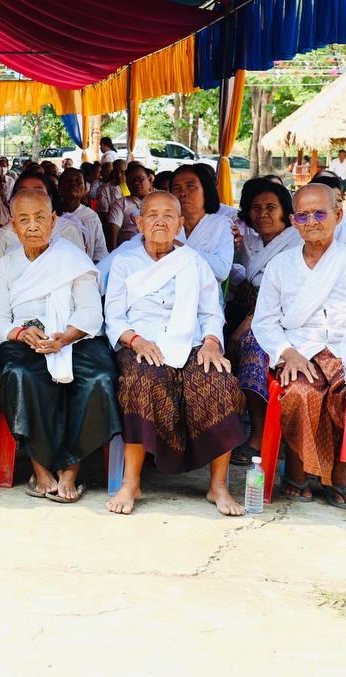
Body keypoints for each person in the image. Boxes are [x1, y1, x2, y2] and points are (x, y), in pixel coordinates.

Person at [252, 183, 346, 508]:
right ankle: (297, 468)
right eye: (303, 216)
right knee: (301, 393)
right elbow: (264, 322)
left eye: (320, 214)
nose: (312, 222)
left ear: (338, 215)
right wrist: (286, 352)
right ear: (293, 221)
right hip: (300, 350)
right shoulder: (280, 266)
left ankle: (339, 471)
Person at [104, 191, 245, 516]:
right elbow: (114, 318)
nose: (160, 221)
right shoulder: (125, 262)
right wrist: (136, 341)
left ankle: (218, 486)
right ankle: (131, 483)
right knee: (143, 379)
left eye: (168, 215)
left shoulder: (193, 261)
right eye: (152, 215)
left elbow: (212, 312)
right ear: (139, 222)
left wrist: (211, 343)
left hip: (191, 343)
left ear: (180, 223)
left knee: (219, 380)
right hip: (141, 343)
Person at [0, 189, 120, 503]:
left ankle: (71, 467)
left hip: (75, 336)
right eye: (24, 219)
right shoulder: (5, 265)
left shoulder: (74, 259)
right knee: (21, 375)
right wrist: (20, 333)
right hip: (25, 339)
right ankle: (41, 468)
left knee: (99, 378)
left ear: (53, 221)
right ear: (13, 226)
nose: (33, 226)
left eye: (40, 218)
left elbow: (90, 312)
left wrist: (66, 336)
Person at [227, 178, 301, 466]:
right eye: (256, 208)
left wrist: (248, 324)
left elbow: (284, 295)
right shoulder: (251, 243)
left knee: (252, 346)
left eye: (271, 207)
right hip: (251, 310)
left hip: (287, 316)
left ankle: (259, 435)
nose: (263, 214)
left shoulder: (296, 242)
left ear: (285, 211)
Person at [0, 174, 87, 298]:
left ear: (49, 198)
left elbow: (80, 281)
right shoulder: (1, 236)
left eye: (38, 191)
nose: (30, 197)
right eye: (23, 192)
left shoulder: (67, 229)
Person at [170, 163, 233, 281]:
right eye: (176, 188)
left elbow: (222, 270)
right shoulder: (164, 223)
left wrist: (179, 248)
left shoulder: (221, 224)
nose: (183, 193)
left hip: (206, 292)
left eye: (190, 186)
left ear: (206, 190)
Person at [57, 169, 108, 262]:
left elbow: (100, 250)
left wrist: (92, 267)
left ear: (85, 190)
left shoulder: (91, 217)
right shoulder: (53, 216)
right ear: (59, 187)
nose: (73, 184)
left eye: (78, 181)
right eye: (68, 181)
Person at [106, 162, 152, 249]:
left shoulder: (160, 200)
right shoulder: (121, 203)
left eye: (140, 179)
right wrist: (113, 252)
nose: (136, 183)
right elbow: (113, 228)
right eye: (132, 181)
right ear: (127, 184)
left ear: (149, 180)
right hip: (130, 250)